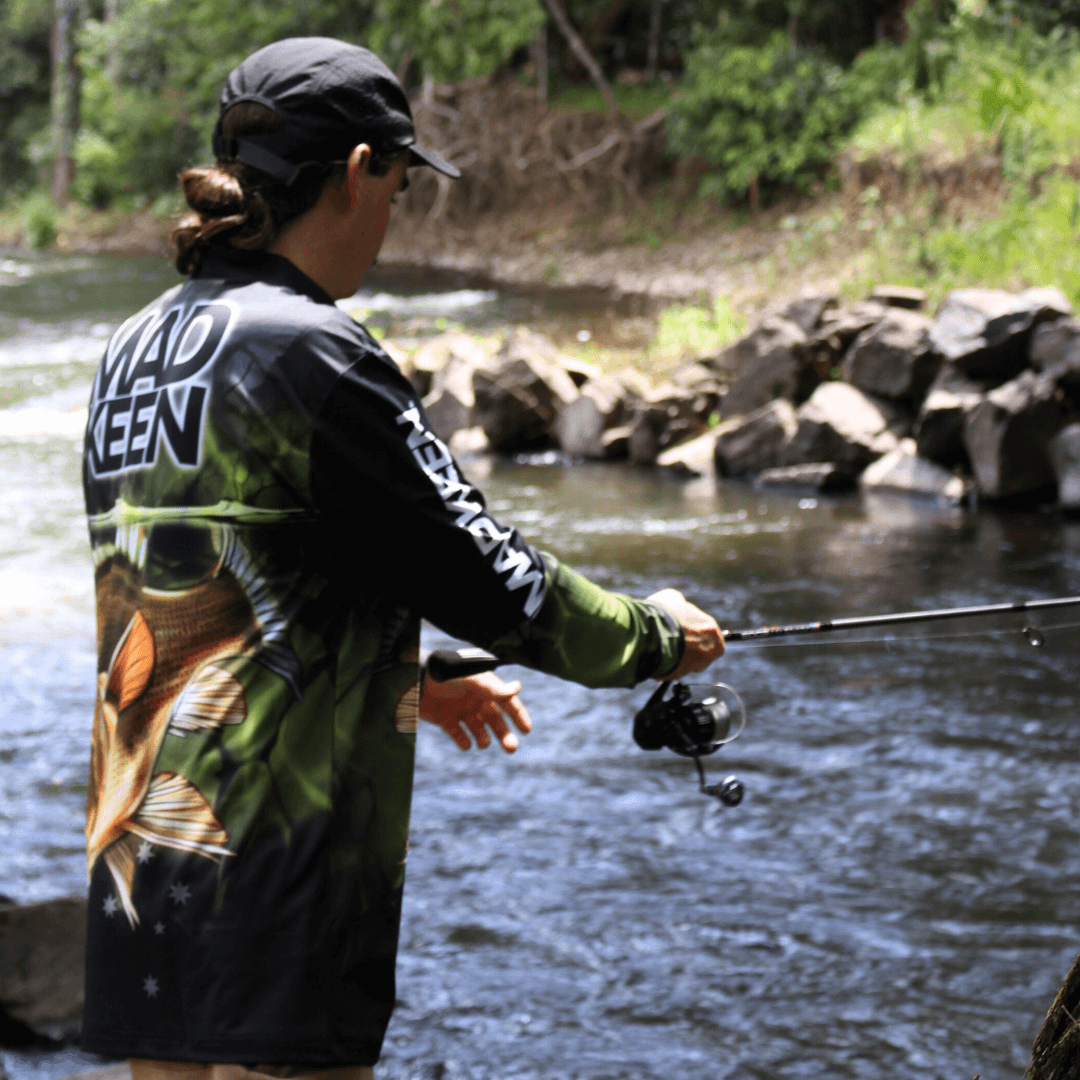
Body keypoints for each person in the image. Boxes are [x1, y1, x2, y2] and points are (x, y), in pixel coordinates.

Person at [80, 37, 724, 1080]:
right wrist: (652, 637)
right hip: (283, 869)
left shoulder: (133, 349)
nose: (392, 214)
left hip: (144, 863)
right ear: (357, 171)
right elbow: (491, 579)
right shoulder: (314, 350)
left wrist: (404, 684)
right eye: (400, 184)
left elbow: (202, 604)